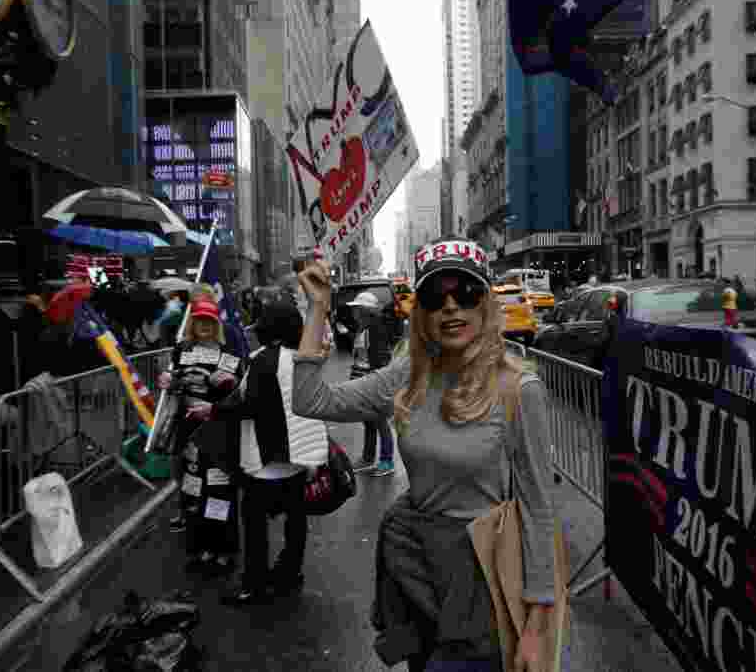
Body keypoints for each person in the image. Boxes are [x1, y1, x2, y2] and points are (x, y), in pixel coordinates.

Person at [292, 237, 559, 672]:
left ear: (485, 306)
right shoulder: (408, 373)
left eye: (466, 294)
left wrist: (536, 625)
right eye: (436, 297)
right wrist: (317, 307)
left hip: (479, 571)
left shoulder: (517, 388)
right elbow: (310, 401)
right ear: (423, 313)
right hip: (415, 563)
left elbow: (538, 508)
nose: (451, 307)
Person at [193, 301, 328, 606]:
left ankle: (253, 585)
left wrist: (212, 410)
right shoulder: (303, 358)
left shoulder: (264, 360)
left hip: (265, 459)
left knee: (255, 524)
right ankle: (291, 573)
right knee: (295, 521)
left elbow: (251, 405)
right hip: (298, 457)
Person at [155, 296, 241, 575]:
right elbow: (174, 382)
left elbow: (239, 392)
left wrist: (230, 383)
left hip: (216, 432)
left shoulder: (228, 354)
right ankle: (201, 547)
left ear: (216, 324)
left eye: (209, 320)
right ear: (192, 322)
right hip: (188, 432)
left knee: (219, 490)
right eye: (199, 319)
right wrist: (168, 382)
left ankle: (223, 550)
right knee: (193, 490)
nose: (203, 324)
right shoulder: (181, 350)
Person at [347, 290, 397, 477]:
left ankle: (386, 461)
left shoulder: (375, 329)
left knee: (380, 422)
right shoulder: (364, 329)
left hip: (373, 384)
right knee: (369, 422)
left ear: (365, 311)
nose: (354, 313)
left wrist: (375, 383)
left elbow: (380, 359)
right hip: (364, 383)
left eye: (357, 309)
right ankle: (368, 459)